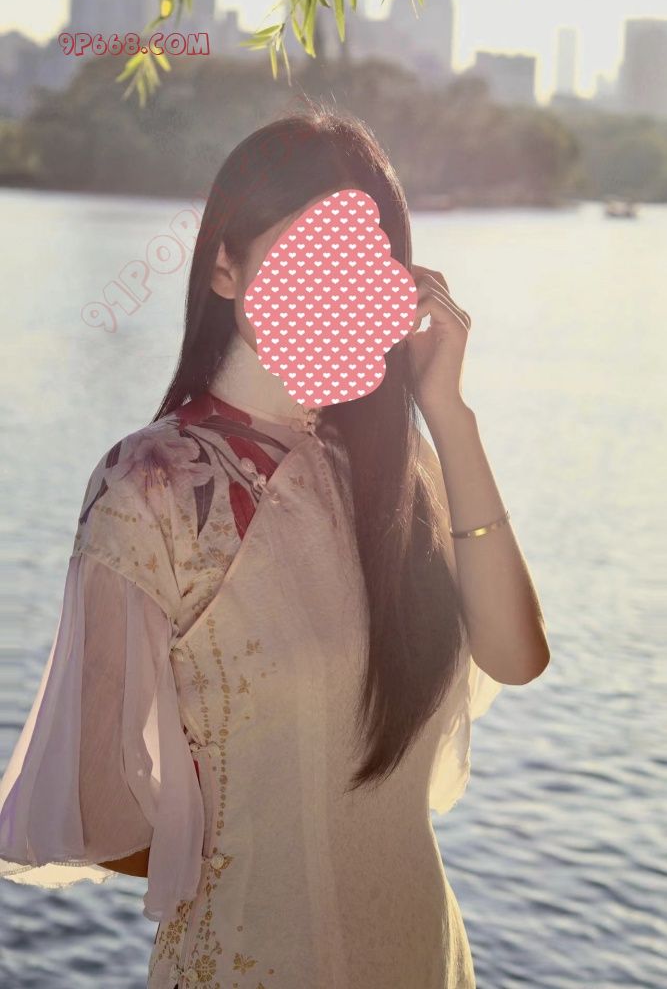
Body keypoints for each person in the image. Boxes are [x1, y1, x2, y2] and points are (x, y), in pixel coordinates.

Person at [0, 102, 549, 988]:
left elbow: (516, 656)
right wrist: (247, 859)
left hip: (424, 957)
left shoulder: (398, 469)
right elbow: (99, 810)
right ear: (224, 265)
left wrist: (448, 413)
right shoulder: (154, 484)